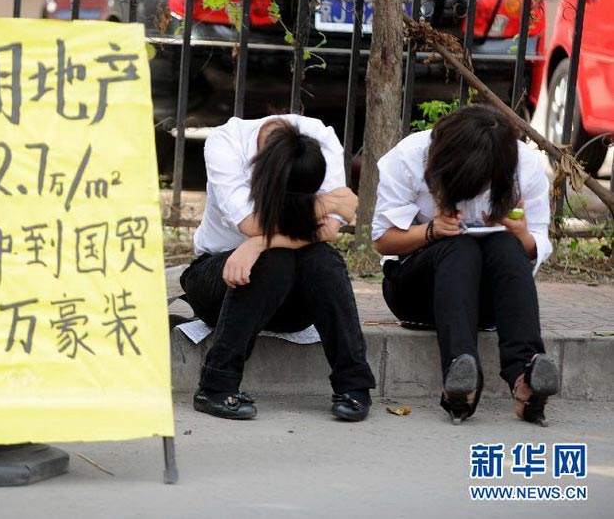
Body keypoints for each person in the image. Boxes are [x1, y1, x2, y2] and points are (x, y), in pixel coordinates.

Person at [372, 104, 559, 426]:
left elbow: (537, 244)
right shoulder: (410, 157)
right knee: (459, 247)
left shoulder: (523, 164)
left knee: (505, 244)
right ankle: (460, 371)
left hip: (489, 305)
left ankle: (525, 373)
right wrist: (431, 230)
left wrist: (521, 234)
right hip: (416, 294)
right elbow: (382, 240)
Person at [180, 115, 377, 421]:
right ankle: (215, 387)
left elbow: (326, 233)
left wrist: (259, 244)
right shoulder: (226, 145)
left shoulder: (319, 141)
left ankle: (354, 385)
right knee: (275, 261)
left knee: (321, 259)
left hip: (286, 297)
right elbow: (249, 222)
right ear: (258, 173)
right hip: (218, 279)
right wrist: (323, 204)